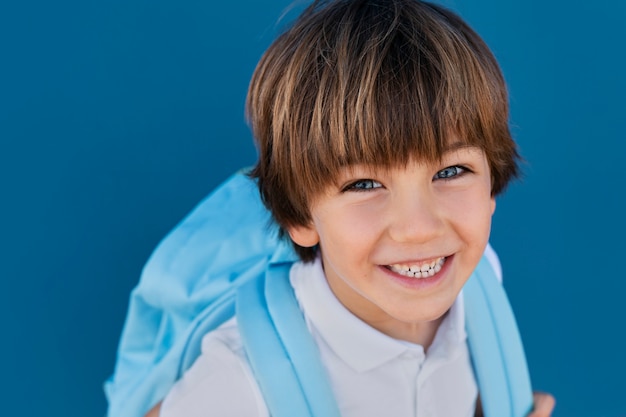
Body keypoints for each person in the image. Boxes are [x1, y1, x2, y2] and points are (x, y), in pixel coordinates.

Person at [143, 0, 555, 415]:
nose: (419, 228)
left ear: (491, 188)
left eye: (450, 172)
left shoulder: (480, 284)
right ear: (299, 216)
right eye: (364, 184)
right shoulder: (237, 383)